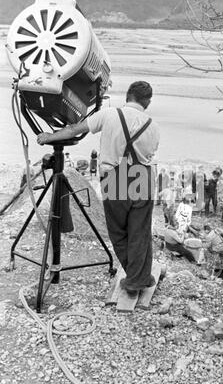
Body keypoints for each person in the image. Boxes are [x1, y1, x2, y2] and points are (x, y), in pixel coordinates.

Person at [37, 80, 160, 297]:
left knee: (118, 230)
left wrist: (49, 137)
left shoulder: (110, 114)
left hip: (115, 176)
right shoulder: (153, 126)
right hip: (143, 177)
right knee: (140, 232)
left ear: (128, 96)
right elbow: (149, 156)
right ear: (147, 102)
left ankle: (134, 278)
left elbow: (76, 129)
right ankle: (139, 277)